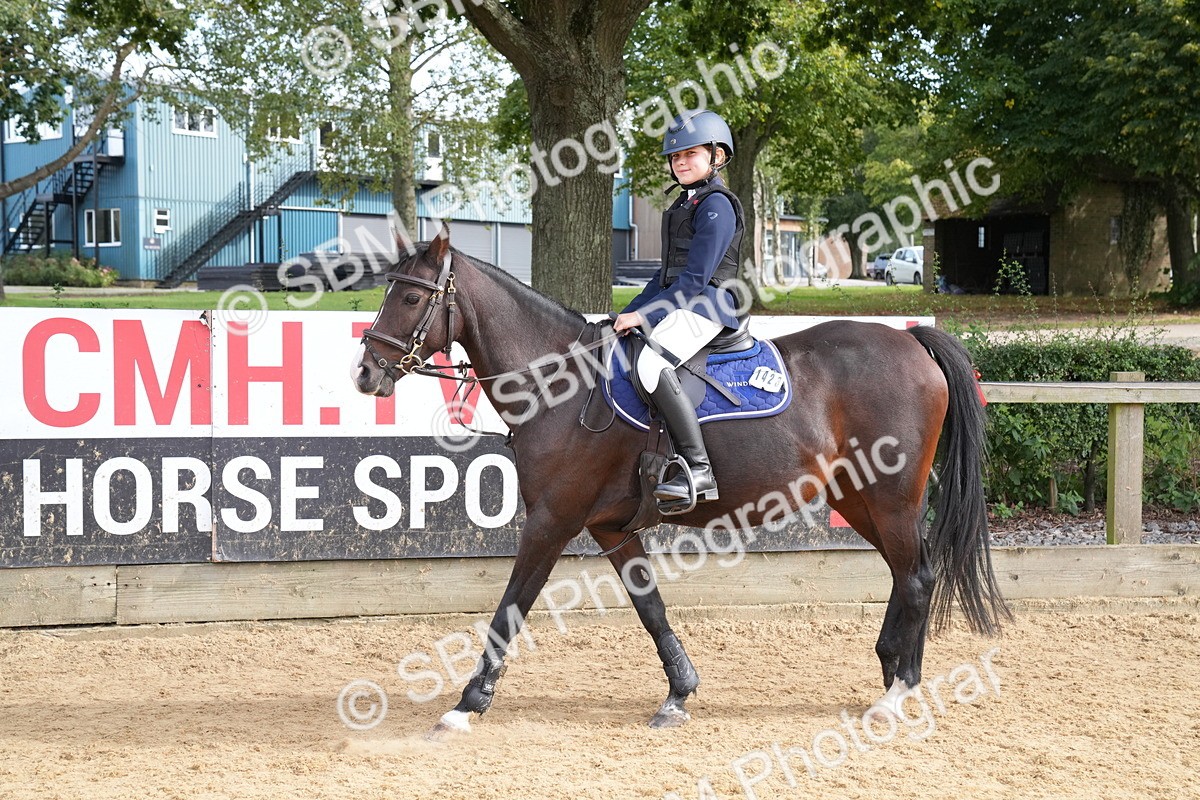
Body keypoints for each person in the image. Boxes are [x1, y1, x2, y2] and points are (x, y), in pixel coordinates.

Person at [613, 109, 747, 508]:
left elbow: (694, 280)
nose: (681, 162)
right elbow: (664, 277)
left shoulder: (717, 206)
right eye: (675, 157)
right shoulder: (684, 206)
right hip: (685, 301)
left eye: (690, 153)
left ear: (716, 156)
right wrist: (629, 312)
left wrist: (646, 316)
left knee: (651, 364)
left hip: (710, 305)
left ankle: (699, 468)